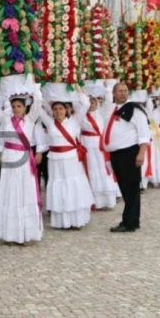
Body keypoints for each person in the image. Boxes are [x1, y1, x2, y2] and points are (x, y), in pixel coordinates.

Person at [0, 86, 44, 244]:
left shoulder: (31, 119)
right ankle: (9, 234)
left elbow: (38, 101)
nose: (16, 109)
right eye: (14, 106)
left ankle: (27, 232)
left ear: (25, 107)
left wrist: (33, 87)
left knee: (25, 191)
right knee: (10, 192)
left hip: (24, 159)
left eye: (19, 106)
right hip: (10, 158)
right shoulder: (6, 119)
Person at [38, 91, 94, 229]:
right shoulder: (49, 122)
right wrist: (37, 91)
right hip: (55, 161)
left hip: (71, 160)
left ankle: (76, 220)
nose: (58, 112)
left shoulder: (74, 121)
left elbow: (86, 104)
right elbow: (37, 108)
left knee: (72, 185)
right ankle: (61, 220)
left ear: (67, 110)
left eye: (61, 109)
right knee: (59, 186)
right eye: (55, 109)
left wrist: (77, 90)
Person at [103, 83, 150, 233]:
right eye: (120, 91)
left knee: (131, 188)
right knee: (125, 188)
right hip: (116, 154)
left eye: (125, 91)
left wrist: (141, 152)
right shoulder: (112, 109)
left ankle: (128, 222)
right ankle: (132, 220)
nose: (123, 93)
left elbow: (143, 133)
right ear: (114, 93)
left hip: (129, 153)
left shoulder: (134, 109)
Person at [79, 85, 119, 210]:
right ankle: (93, 200)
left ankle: (107, 199)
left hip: (100, 145)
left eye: (93, 101)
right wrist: (80, 92)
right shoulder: (81, 115)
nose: (91, 104)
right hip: (87, 146)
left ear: (97, 102)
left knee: (103, 169)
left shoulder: (102, 112)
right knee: (90, 169)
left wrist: (107, 88)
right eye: (89, 102)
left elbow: (108, 101)